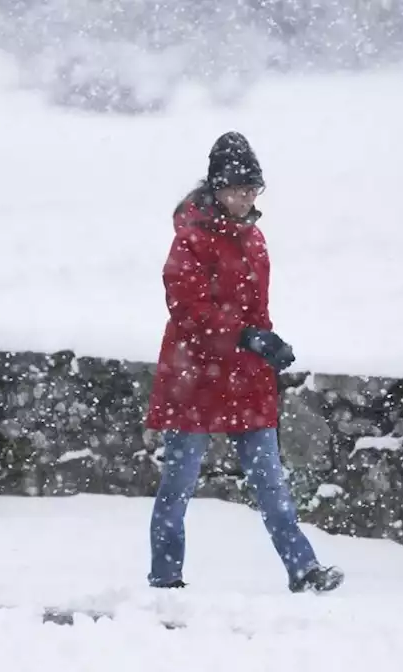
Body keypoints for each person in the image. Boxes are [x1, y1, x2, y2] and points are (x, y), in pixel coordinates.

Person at [144, 131, 344, 594]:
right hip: (193, 379)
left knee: (271, 484)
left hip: (243, 376)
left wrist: (268, 345)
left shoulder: (255, 240)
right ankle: (165, 577)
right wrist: (245, 337)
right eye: (237, 189)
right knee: (178, 487)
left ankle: (304, 570)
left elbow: (256, 312)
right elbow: (189, 313)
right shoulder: (189, 242)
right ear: (215, 188)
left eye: (252, 189)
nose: (245, 197)